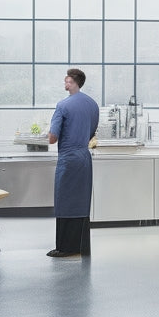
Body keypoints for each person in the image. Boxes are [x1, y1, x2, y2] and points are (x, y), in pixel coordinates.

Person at [46, 68, 100, 258]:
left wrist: (47, 135)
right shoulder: (93, 105)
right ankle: (80, 246)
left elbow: (52, 138)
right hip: (84, 159)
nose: (65, 84)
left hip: (68, 159)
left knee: (65, 202)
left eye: (67, 81)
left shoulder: (63, 105)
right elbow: (92, 133)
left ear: (74, 82)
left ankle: (65, 247)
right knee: (81, 202)